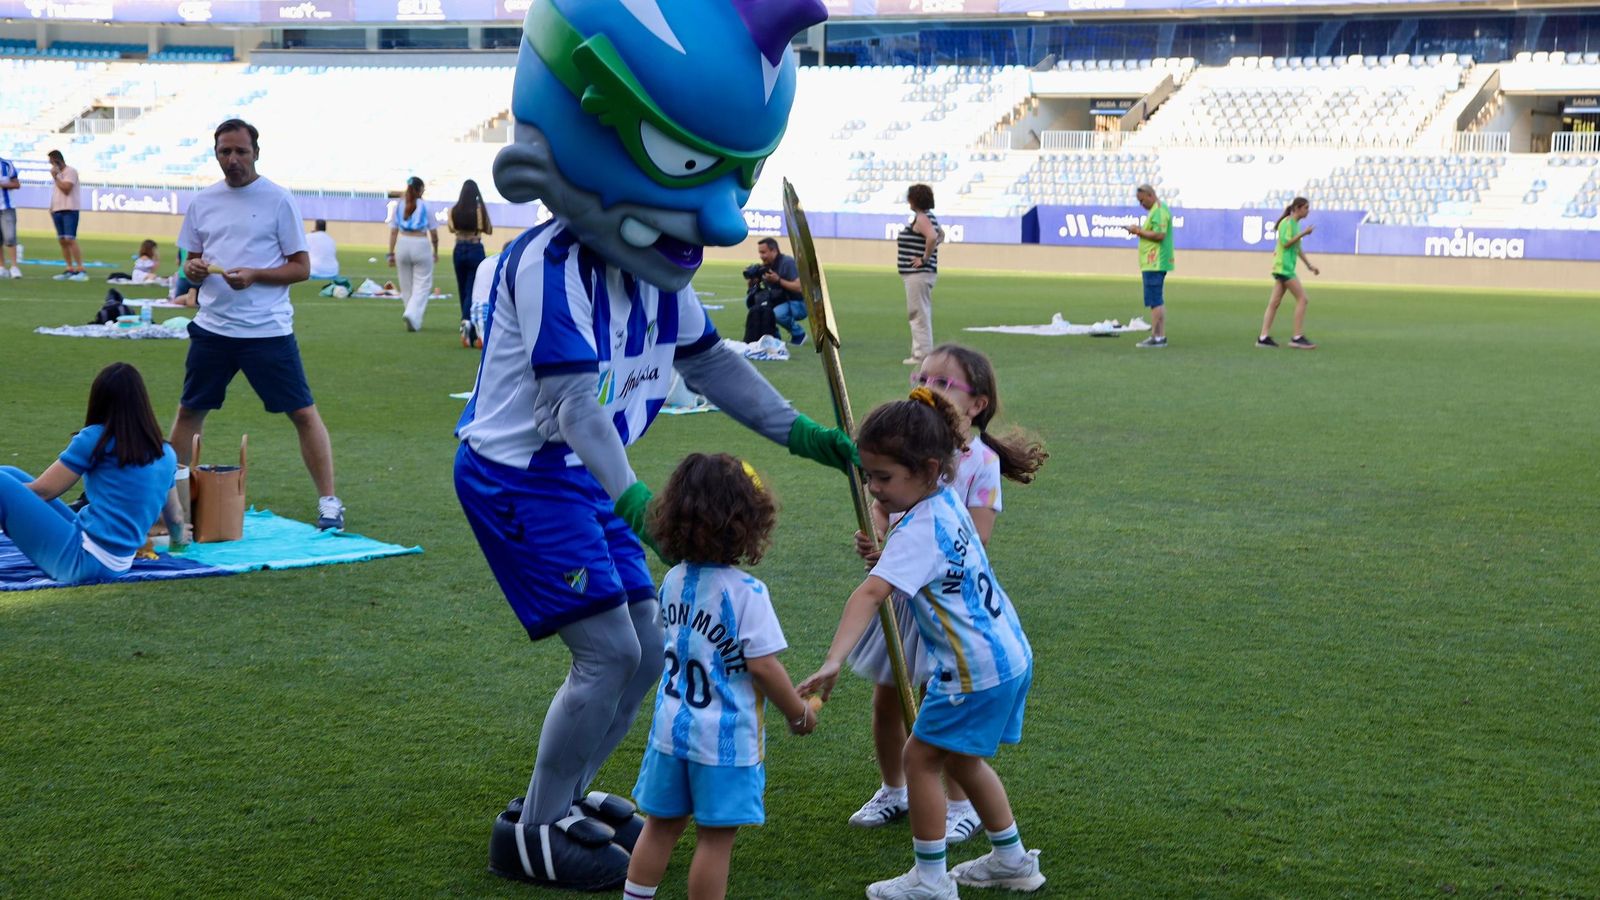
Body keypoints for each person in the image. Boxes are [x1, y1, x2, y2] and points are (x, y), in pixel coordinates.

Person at [466, 0, 832, 890]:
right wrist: (637, 502)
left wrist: (812, 438)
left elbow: (714, 370)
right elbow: (574, 406)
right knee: (611, 653)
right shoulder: (549, 264)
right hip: (524, 476)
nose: (718, 225)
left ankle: (575, 792)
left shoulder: (662, 277)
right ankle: (538, 827)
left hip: (585, 480)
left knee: (653, 648)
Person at [800, 389, 1044, 900]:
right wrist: (886, 540)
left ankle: (931, 881)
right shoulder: (946, 500)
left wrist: (833, 660)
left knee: (920, 761)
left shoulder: (922, 526)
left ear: (930, 468)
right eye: (869, 475)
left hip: (972, 670)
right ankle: (1013, 860)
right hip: (1007, 655)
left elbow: (872, 593)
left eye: (884, 477)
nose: (874, 488)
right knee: (961, 761)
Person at [845, 344, 1046, 846]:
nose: (926, 386)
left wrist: (910, 555)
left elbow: (976, 536)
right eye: (921, 376)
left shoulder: (979, 462)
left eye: (942, 382)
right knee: (887, 698)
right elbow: (883, 509)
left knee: (948, 712)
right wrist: (884, 543)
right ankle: (894, 789)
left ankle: (960, 805)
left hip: (947, 608)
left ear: (977, 404)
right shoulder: (901, 453)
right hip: (902, 597)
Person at [621, 453, 816, 900]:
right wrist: (798, 712)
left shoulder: (672, 580)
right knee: (714, 840)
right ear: (747, 522)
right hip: (724, 745)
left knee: (660, 827)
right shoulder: (747, 593)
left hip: (671, 733)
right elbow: (764, 666)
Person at [175, 118, 345, 531]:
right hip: (213, 327)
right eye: (224, 152)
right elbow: (190, 261)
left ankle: (329, 501)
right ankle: (169, 501)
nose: (232, 160)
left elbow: (301, 268)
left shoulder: (279, 200)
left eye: (240, 151)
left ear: (256, 152)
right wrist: (194, 270)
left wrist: (255, 274)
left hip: (266, 330)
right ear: (215, 153)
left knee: (303, 414)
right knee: (189, 413)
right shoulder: (202, 202)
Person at [0, 363, 179, 585]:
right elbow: (176, 516)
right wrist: (179, 541)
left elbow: (43, 491)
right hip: (118, 562)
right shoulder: (166, 452)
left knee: (2, 483)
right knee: (8, 474)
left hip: (84, 562)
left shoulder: (95, 439)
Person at [1257, 196, 1321, 350]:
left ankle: (1263, 337)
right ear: (1298, 208)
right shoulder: (1287, 223)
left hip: (1285, 268)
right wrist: (1304, 234)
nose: (1308, 211)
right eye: (1306, 208)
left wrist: (1309, 265)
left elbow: (1296, 248)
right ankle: (1297, 337)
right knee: (1303, 299)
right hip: (1283, 268)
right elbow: (1286, 243)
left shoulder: (1294, 225)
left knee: (1274, 303)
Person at [897, 183, 944, 366]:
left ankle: (922, 355)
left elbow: (932, 237)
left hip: (919, 274)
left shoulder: (922, 218)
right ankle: (921, 352)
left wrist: (924, 258)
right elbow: (940, 235)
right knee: (919, 312)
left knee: (918, 313)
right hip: (922, 274)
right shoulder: (929, 217)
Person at [1124, 184, 1173, 349]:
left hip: (1155, 262)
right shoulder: (1158, 209)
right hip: (1153, 262)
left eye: (1142, 200)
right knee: (1156, 300)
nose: (1141, 205)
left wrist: (1138, 231)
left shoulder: (1158, 211)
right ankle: (1159, 336)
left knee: (1155, 300)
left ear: (1150, 195)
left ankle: (1157, 337)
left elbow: (1160, 235)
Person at [387, 176, 438, 333]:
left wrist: (390, 253)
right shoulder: (426, 206)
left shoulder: (399, 205)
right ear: (420, 189)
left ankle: (412, 318)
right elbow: (434, 233)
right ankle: (412, 314)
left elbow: (394, 232)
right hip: (420, 244)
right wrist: (435, 251)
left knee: (406, 285)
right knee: (423, 284)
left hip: (403, 244)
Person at [447, 179, 492, 349]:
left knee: (462, 288)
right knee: (473, 290)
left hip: (458, 248)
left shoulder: (454, 210)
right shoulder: (479, 210)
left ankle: (465, 323)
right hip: (475, 248)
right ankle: (469, 323)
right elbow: (488, 229)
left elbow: (451, 228)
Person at [756, 237, 806, 346]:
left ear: (774, 250)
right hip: (780, 300)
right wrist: (753, 280)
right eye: (760, 253)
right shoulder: (767, 266)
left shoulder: (787, 262)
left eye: (764, 252)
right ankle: (774, 335)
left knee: (777, 314)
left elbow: (799, 288)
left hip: (798, 302)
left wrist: (778, 280)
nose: (761, 256)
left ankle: (799, 334)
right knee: (756, 305)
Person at [48, 150, 86, 281]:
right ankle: (69, 268)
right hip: (57, 210)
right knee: (62, 240)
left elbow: (66, 189)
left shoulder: (70, 172)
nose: (51, 166)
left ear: (58, 161)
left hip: (69, 210)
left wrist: (56, 177)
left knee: (70, 239)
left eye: (52, 162)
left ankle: (81, 269)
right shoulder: (58, 175)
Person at [1, 153, 20, 279]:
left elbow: (17, 184)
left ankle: (14, 267)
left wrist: (3, 184)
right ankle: (1, 267)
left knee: (10, 238)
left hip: (6, 207)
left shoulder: (6, 164)